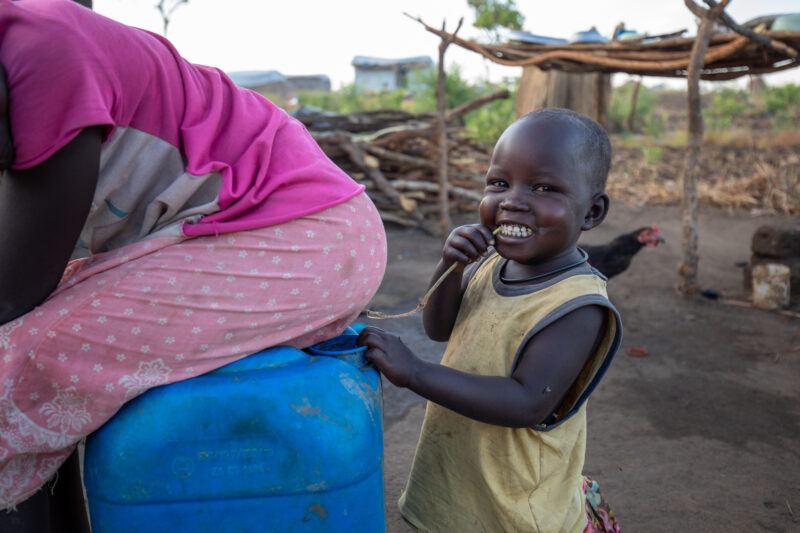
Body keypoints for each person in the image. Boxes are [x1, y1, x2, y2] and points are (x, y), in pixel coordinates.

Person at [0, 0, 386, 530]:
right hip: (233, 235)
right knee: (34, 361)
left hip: (304, 240)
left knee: (18, 369)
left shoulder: (44, 54)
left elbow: (13, 293)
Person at [358, 108, 622, 532]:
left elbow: (526, 402)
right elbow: (440, 329)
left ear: (591, 212)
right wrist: (451, 266)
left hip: (513, 505)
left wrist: (415, 373)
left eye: (544, 187)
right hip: (460, 481)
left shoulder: (577, 304)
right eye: (500, 183)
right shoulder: (490, 264)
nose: (513, 201)